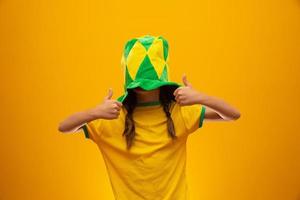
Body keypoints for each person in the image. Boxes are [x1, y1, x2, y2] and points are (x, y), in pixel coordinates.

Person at [58, 35, 241, 200]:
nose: (143, 87)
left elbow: (232, 114)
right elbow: (64, 126)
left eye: (146, 82)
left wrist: (199, 97)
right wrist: (96, 112)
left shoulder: (178, 112)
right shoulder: (113, 118)